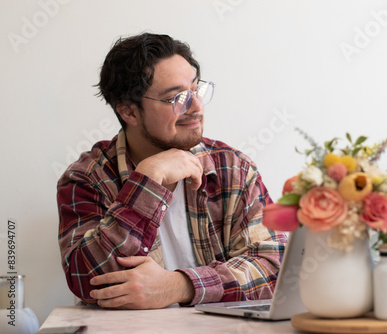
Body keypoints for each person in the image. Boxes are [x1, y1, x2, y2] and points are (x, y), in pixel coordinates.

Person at [57, 32, 287, 309]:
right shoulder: (88, 178)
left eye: (195, 90)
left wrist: (180, 286)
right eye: (177, 97)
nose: (196, 107)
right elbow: (89, 280)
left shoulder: (233, 168)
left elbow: (275, 269)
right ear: (129, 112)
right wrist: (147, 182)